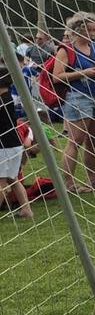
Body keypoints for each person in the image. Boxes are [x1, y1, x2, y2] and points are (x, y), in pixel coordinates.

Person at [50, 12, 95, 193]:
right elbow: (57, 77)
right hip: (77, 98)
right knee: (75, 141)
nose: (93, 34)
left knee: (93, 142)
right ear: (78, 30)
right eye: (90, 30)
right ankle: (68, 184)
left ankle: (92, 179)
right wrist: (83, 73)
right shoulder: (66, 50)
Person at [0, 63, 31, 219]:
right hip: (14, 144)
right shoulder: (8, 98)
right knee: (13, 179)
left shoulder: (2, 101)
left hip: (4, 146)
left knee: (1, 181)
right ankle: (26, 209)